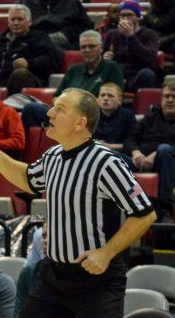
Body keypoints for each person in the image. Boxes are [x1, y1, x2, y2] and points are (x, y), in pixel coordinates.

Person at [0, 89, 156, 318]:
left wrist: (106, 252)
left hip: (98, 281)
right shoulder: (53, 156)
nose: (49, 113)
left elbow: (145, 214)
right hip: (54, 277)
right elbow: (26, 178)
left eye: (59, 109)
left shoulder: (107, 163)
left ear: (80, 122)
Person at [21, 29, 125, 130]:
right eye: (83, 47)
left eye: (91, 46)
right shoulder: (73, 70)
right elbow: (56, 97)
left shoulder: (111, 67)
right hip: (65, 114)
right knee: (30, 108)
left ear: (101, 48)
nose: (87, 50)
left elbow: (115, 98)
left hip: (91, 118)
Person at [125, 81, 175, 209]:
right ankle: (120, 207)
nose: (170, 100)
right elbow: (131, 138)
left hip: (166, 162)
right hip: (140, 161)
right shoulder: (152, 114)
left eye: (174, 97)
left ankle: (166, 207)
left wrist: (156, 154)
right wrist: (136, 152)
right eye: (166, 96)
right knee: (111, 157)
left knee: (165, 150)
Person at [22, 0, 92, 49]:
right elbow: (21, 26)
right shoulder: (28, 2)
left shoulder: (71, 1)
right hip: (35, 43)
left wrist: (66, 34)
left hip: (65, 43)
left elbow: (85, 25)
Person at [102, 0, 159, 92]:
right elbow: (102, 56)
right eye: (122, 15)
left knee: (147, 74)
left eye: (129, 15)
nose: (125, 18)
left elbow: (149, 57)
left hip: (137, 75)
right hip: (117, 75)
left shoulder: (150, 34)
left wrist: (130, 36)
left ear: (138, 17)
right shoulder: (112, 34)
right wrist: (104, 57)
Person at [94, 82, 136, 161]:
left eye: (110, 96)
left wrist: (107, 146)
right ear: (97, 99)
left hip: (120, 157)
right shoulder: (91, 115)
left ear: (119, 100)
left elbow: (132, 143)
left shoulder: (128, 115)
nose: (105, 98)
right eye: (102, 95)